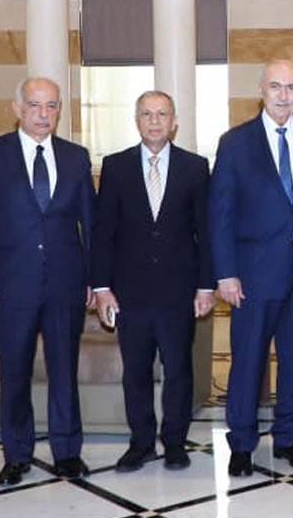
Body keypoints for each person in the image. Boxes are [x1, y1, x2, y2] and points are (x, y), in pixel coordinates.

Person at [210, 59, 293, 477]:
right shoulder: (235, 143)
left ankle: (289, 438)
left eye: (291, 87)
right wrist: (225, 272)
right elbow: (221, 214)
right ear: (262, 90)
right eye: (276, 86)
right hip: (252, 275)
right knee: (247, 361)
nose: (284, 96)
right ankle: (241, 444)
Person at [91, 91, 215, 472]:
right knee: (136, 371)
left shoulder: (195, 167)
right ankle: (141, 442)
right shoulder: (115, 166)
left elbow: (206, 231)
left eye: (162, 114)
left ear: (174, 122)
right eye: (147, 114)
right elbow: (103, 232)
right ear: (137, 120)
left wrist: (206, 286)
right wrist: (101, 288)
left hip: (179, 290)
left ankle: (174, 442)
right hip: (130, 292)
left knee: (179, 370)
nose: (155, 121)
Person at [0, 77, 95, 485]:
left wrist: (95, 279)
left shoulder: (76, 157)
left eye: (51, 106)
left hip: (66, 283)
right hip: (11, 285)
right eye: (34, 105)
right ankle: (16, 455)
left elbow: (90, 224)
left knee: (64, 369)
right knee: (14, 373)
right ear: (17, 108)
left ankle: (67, 452)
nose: (43, 114)